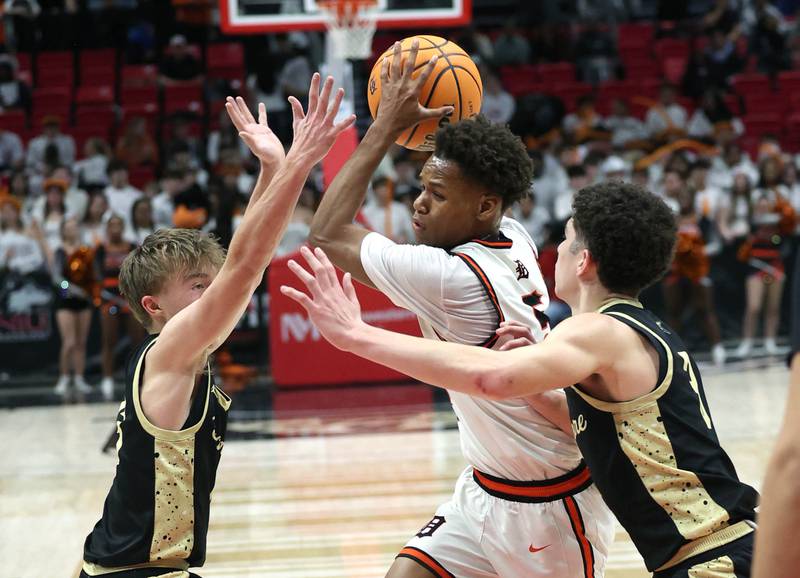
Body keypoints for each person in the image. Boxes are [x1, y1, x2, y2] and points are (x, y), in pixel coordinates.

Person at [285, 180, 759, 578]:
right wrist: (535, 378)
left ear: (583, 261)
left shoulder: (596, 331)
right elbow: (586, 421)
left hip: (711, 561)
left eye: (566, 241)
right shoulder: (636, 328)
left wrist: (357, 335)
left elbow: (491, 380)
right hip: (716, 550)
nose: (557, 251)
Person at [308, 41, 615, 578]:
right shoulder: (511, 233)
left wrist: (384, 127)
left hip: (550, 505)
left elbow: (328, 232)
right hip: (481, 489)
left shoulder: (450, 278)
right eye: (421, 188)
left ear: (484, 206)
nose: (419, 203)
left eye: (438, 194)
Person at [80, 74, 355, 576]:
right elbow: (245, 267)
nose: (213, 295)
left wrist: (271, 169)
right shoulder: (170, 347)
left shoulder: (177, 354)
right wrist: (299, 162)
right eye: (196, 286)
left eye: (211, 283)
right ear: (154, 306)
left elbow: (244, 262)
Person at [51, 217, 95, 396]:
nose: (72, 230)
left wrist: (89, 291)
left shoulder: (86, 250)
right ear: (63, 231)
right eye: (68, 228)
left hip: (84, 301)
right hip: (65, 300)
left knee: (81, 342)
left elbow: (92, 274)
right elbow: (56, 278)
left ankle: (79, 378)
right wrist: (72, 289)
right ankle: (64, 378)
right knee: (69, 341)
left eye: (74, 227)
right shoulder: (60, 251)